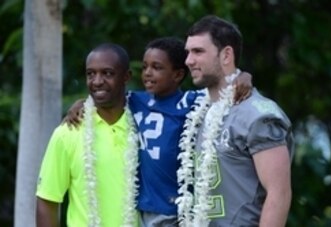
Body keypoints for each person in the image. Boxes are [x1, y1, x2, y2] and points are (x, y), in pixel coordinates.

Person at [63, 37, 253, 226]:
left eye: (157, 67)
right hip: (141, 208)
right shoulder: (134, 100)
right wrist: (81, 103)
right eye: (145, 67)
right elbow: (106, 97)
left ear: (178, 75)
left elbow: (223, 92)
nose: (148, 73)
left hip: (175, 208)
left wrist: (244, 76)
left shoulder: (192, 102)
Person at [176, 15, 294, 227]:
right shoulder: (195, 109)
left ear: (226, 55)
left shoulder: (258, 114)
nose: (188, 60)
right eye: (188, 52)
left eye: (198, 51)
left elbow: (279, 194)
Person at [36, 43, 139, 227]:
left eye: (107, 73)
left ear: (126, 77)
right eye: (90, 74)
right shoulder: (68, 131)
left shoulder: (144, 126)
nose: (97, 81)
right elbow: (47, 201)